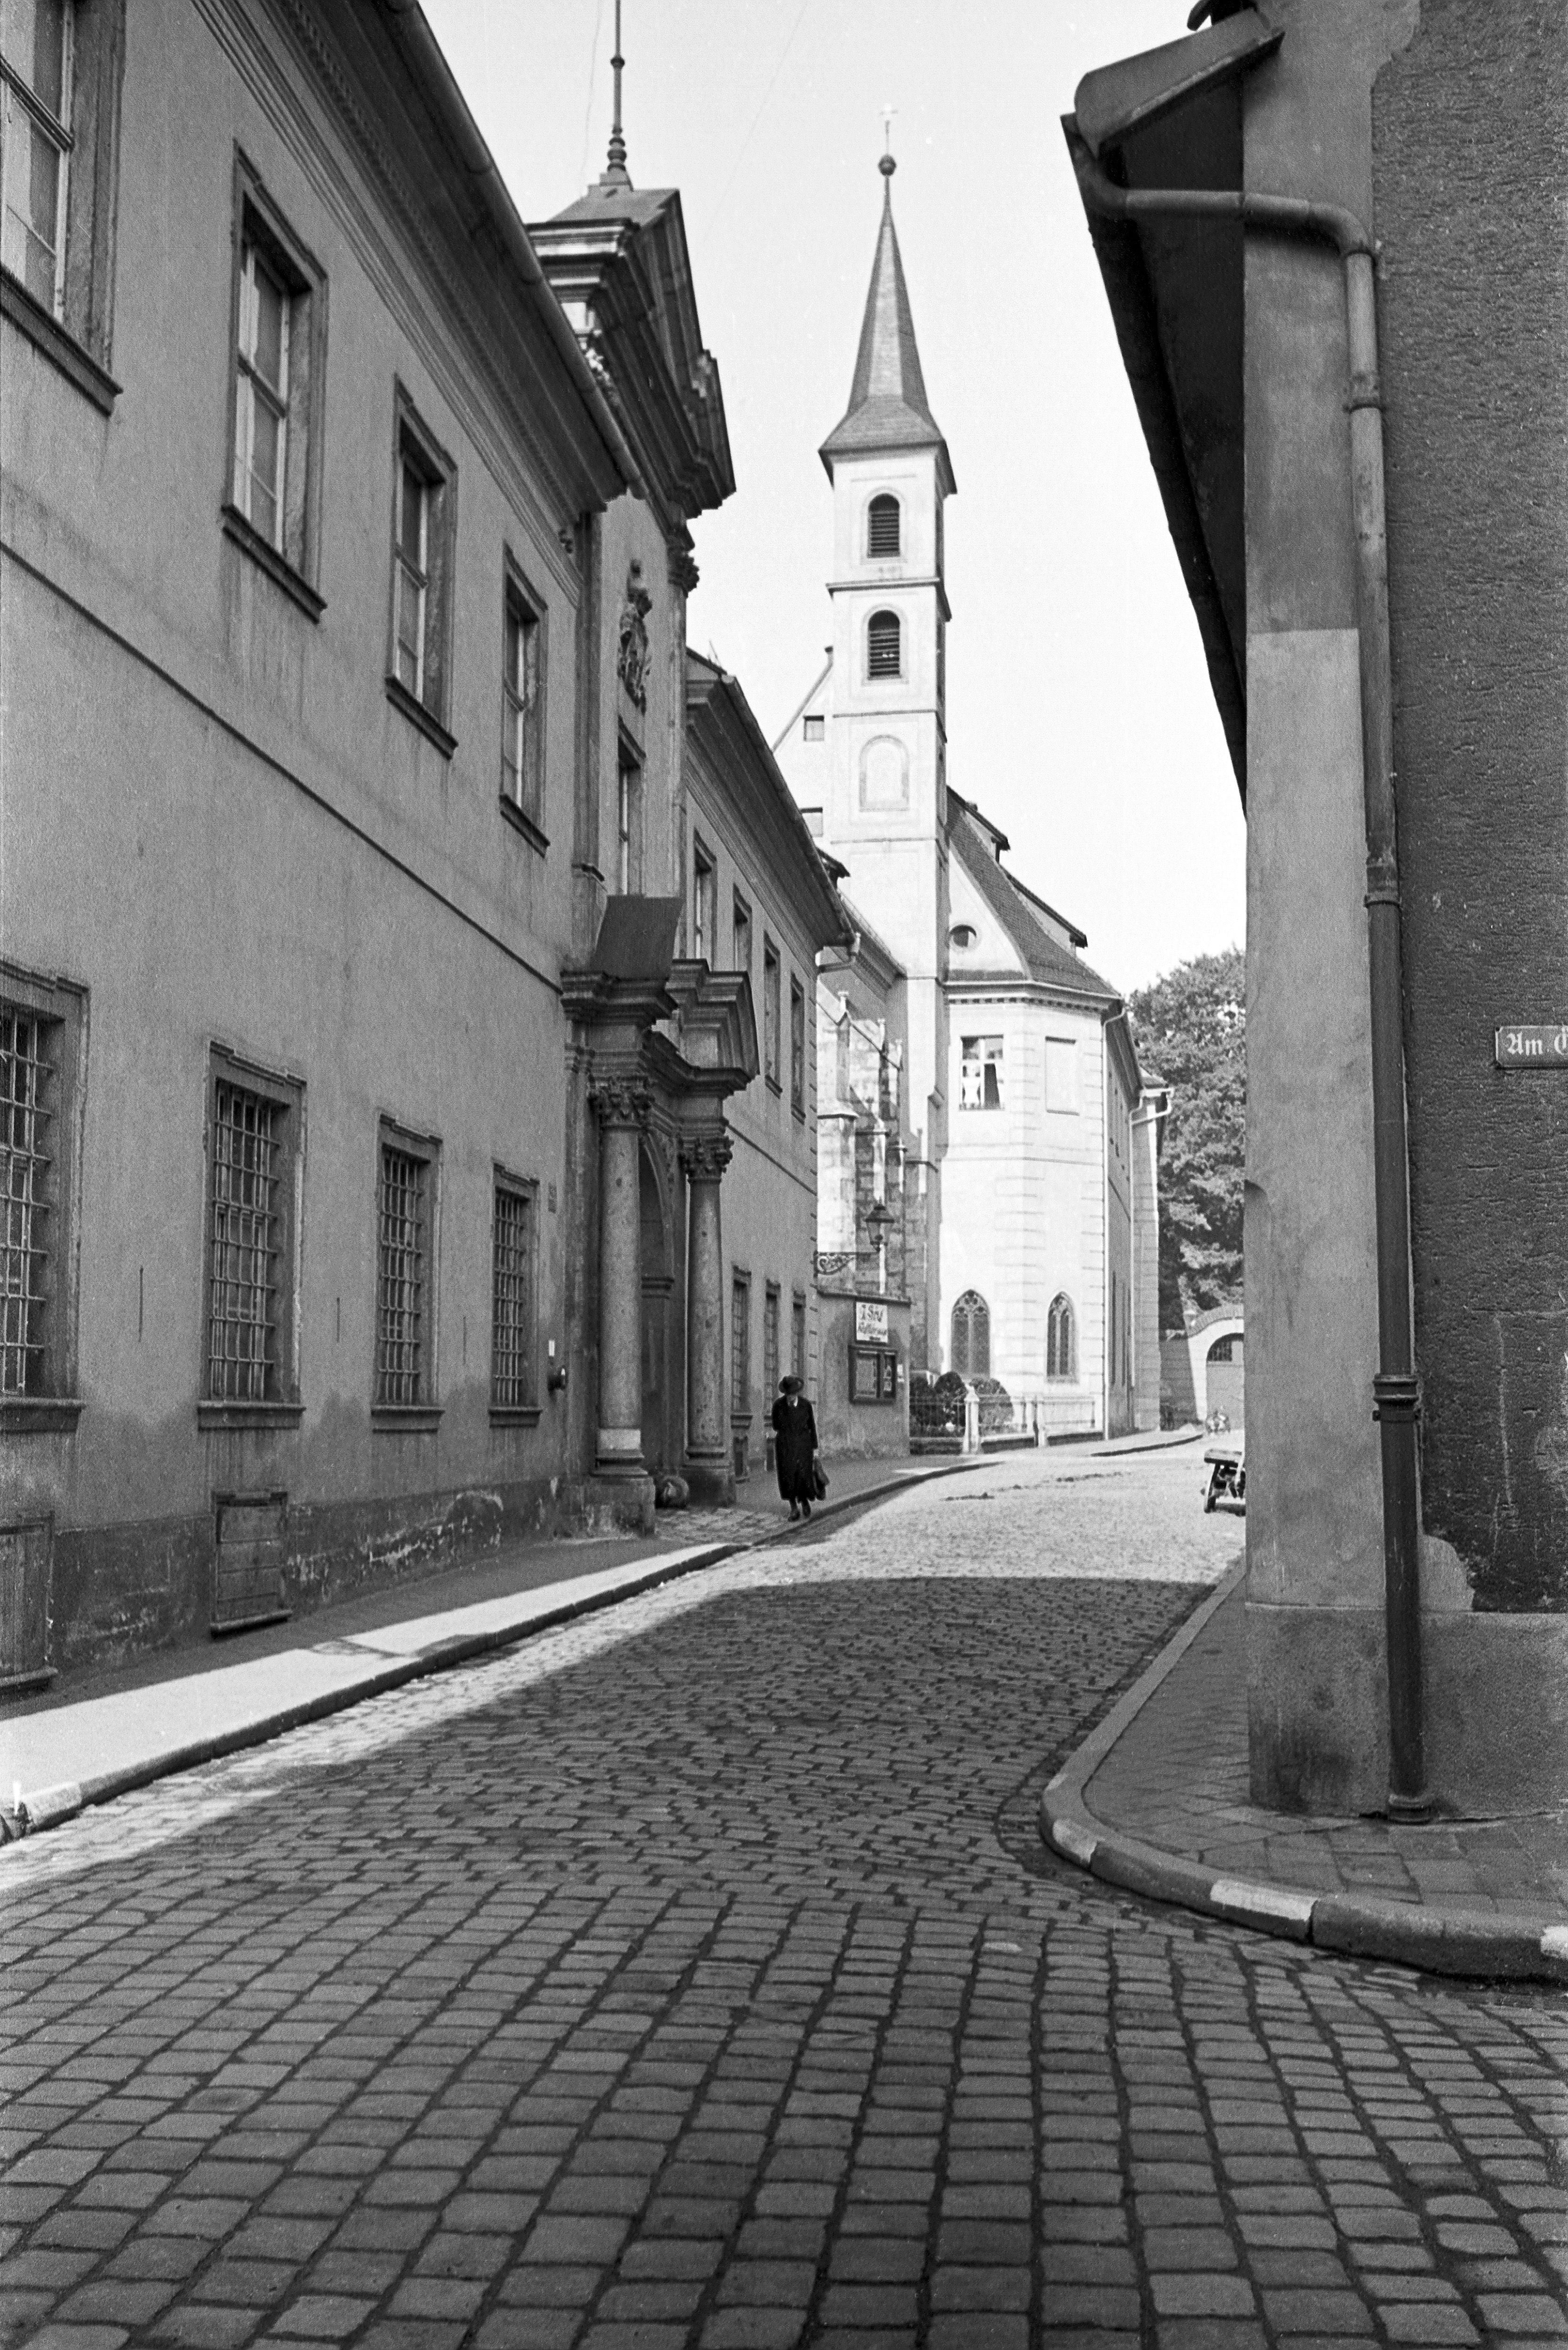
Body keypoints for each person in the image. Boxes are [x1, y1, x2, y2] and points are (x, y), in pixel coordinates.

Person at [771, 1373, 819, 1521]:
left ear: (797, 1393)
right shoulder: (778, 1406)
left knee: (803, 1475)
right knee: (788, 1475)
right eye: (787, 1394)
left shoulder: (805, 1405)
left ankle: (804, 1501)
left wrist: (815, 1448)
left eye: (792, 1394)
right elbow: (775, 1425)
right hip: (785, 1445)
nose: (790, 1397)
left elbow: (812, 1426)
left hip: (804, 1444)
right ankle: (793, 1507)